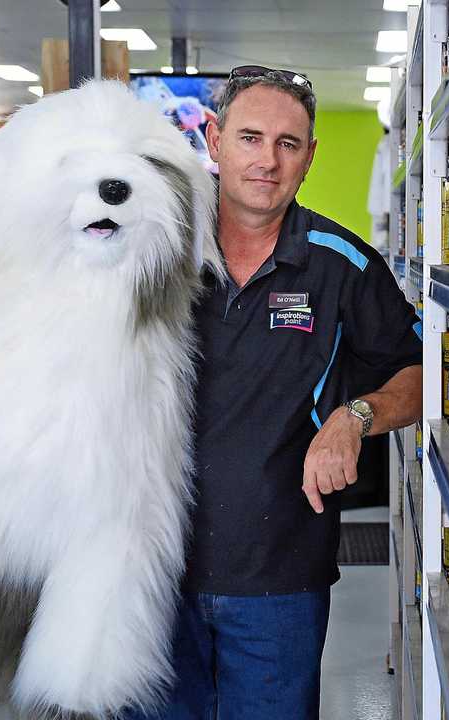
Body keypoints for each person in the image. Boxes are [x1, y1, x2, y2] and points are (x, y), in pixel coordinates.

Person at [126, 66, 424, 720]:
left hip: (277, 585)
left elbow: (419, 374)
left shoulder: (342, 266)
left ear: (310, 157)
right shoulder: (148, 252)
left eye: (288, 144)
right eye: (251, 137)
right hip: (145, 574)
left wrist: (358, 414)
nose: (268, 160)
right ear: (214, 138)